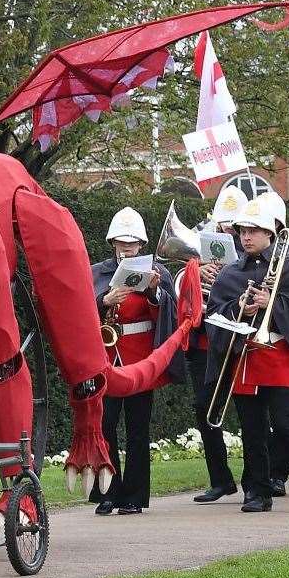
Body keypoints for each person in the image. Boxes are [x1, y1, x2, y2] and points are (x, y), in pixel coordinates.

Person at [207, 191, 289, 512]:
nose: (246, 237)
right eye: (243, 231)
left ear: (269, 233)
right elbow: (217, 312)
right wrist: (241, 308)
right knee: (252, 429)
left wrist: (271, 307)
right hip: (247, 357)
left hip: (280, 353)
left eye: (254, 231)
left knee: (286, 423)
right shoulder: (232, 272)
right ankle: (257, 492)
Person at [90, 207, 182, 515]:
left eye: (131, 243)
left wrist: (156, 292)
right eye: (121, 242)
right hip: (108, 357)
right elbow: (80, 308)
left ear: (141, 244)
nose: (126, 247)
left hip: (140, 356)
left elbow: (169, 312)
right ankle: (108, 493)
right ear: (112, 242)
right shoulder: (98, 272)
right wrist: (103, 302)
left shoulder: (157, 271)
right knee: (105, 426)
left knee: (138, 429)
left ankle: (135, 496)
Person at [186, 181, 250, 502]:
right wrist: (196, 275)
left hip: (239, 339)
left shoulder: (253, 248)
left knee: (248, 408)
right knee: (204, 408)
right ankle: (220, 479)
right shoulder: (200, 243)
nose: (227, 227)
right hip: (205, 342)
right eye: (223, 221)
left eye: (233, 223)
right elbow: (181, 286)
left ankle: (256, 478)